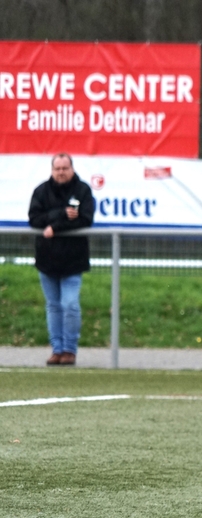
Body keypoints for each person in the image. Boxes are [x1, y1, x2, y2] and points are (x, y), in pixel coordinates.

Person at [28, 153, 94, 366]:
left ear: (72, 169)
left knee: (70, 305)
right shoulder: (41, 191)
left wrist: (55, 227)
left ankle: (69, 350)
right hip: (47, 260)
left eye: (65, 168)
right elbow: (34, 219)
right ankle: (57, 350)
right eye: (57, 169)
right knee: (53, 306)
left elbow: (85, 219)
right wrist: (61, 214)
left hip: (73, 260)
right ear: (52, 170)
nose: (61, 172)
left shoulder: (82, 191)